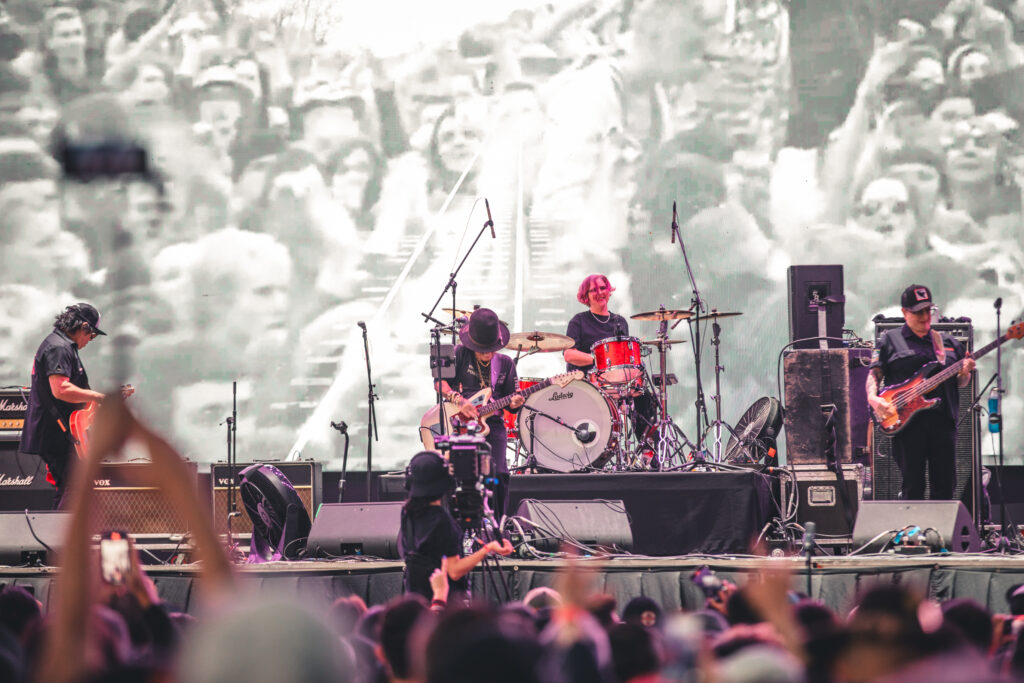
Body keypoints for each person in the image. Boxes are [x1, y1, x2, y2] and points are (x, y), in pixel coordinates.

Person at [866, 285, 975, 500]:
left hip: (943, 423)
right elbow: (874, 374)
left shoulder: (948, 343)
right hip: (907, 425)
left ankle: (940, 524)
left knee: (944, 487)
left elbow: (961, 383)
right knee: (912, 486)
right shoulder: (890, 340)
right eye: (918, 312)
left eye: (928, 310)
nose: (925, 317)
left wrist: (965, 373)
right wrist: (873, 399)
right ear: (904, 312)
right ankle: (912, 523)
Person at [18, 303, 109, 508]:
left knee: (69, 486)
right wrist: (98, 397)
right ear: (84, 327)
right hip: (55, 432)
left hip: (59, 430)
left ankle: (58, 528)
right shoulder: (59, 347)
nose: (91, 340)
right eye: (92, 335)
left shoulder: (61, 345)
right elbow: (61, 389)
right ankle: (61, 529)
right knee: (74, 486)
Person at [435, 308, 524, 518]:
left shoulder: (505, 363)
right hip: (459, 424)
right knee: (457, 475)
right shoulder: (459, 353)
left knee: (499, 473)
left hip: (492, 424)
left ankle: (498, 523)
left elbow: (511, 402)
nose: (487, 354)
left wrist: (516, 403)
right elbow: (439, 383)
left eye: (491, 349)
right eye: (482, 350)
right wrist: (459, 400)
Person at [398, 450, 513, 602]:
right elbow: (454, 571)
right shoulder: (442, 520)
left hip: (415, 599)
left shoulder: (407, 513)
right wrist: (488, 548)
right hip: (443, 600)